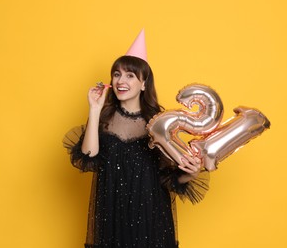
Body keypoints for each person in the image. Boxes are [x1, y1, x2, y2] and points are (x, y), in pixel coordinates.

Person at [63, 31, 209, 248]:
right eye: (117, 74)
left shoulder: (160, 122)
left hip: (150, 216)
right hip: (111, 215)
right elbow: (88, 156)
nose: (121, 80)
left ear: (143, 83)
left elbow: (172, 177)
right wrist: (94, 110)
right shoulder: (104, 117)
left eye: (130, 75)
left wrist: (193, 171)